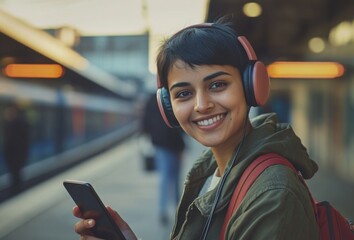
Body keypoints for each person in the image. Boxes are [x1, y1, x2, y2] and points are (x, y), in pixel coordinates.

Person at [72, 17, 320, 239]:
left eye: (217, 85)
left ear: (251, 87)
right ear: (168, 106)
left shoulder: (272, 195)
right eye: (184, 93)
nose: (201, 105)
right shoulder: (210, 171)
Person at [141, 92, 185, 225]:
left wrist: (149, 136)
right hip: (175, 144)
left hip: (161, 144)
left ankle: (164, 211)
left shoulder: (151, 98)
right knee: (175, 178)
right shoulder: (173, 95)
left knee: (165, 178)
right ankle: (178, 209)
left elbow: (145, 121)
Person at [3, 103, 30, 193]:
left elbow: (11, 142)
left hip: (15, 156)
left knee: (15, 176)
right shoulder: (21, 122)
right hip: (16, 157)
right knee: (16, 175)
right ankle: (17, 190)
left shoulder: (15, 124)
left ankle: (16, 191)